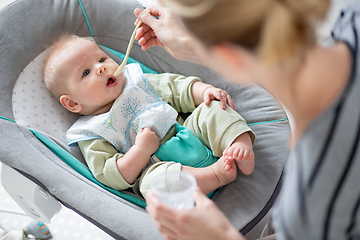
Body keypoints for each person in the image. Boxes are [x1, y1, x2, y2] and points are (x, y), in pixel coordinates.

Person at [134, 0, 360, 239]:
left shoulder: (312, 207)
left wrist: (220, 235)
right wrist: (194, 45)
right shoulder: (353, 18)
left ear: (229, 57)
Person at [43, 35, 256, 198]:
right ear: (72, 103)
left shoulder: (136, 82)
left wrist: (204, 91)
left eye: (101, 59)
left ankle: (238, 144)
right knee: (151, 184)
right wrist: (141, 150)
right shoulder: (90, 132)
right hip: (159, 166)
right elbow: (110, 174)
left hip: (190, 133)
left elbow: (176, 87)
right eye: (86, 72)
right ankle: (214, 176)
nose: (101, 68)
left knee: (211, 108)